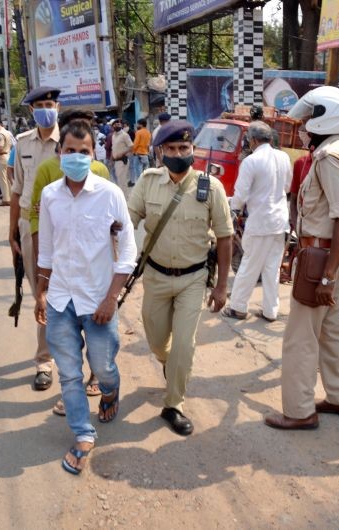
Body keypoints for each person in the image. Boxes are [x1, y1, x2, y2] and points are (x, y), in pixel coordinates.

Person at [35, 121, 137, 475]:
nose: (77, 157)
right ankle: (82, 433)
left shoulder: (110, 194)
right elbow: (46, 249)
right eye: (70, 151)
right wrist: (40, 291)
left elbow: (127, 252)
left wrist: (111, 298)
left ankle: (111, 391)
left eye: (84, 152)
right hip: (61, 300)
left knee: (104, 366)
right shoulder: (49, 195)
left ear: (95, 155)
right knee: (69, 375)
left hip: (98, 301)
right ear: (59, 153)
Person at [264, 86, 339, 430]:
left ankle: (299, 410)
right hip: (327, 255)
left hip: (322, 257)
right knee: (330, 330)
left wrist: (326, 274)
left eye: (310, 117)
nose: (305, 125)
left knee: (301, 338)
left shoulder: (330, 158)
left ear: (327, 116)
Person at [127, 120, 233, 436]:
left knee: (184, 345)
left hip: (193, 279)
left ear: (193, 150)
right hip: (156, 277)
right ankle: (169, 363)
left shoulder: (211, 187)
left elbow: (226, 237)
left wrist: (222, 286)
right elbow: (125, 220)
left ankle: (174, 404)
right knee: (159, 342)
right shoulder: (147, 182)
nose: (178, 154)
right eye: (171, 149)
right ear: (160, 152)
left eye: (184, 148)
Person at [11, 86, 61, 391]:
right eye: (40, 105)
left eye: (50, 103)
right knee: (40, 293)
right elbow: (17, 188)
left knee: (65, 292)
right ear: (32, 110)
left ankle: (60, 354)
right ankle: (44, 360)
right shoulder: (22, 143)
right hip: (30, 224)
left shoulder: (70, 141)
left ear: (57, 106)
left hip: (64, 224)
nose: (46, 108)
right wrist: (12, 232)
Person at [222, 121, 292, 322]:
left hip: (260, 221)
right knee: (272, 268)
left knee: (249, 266)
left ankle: (238, 307)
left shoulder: (251, 161)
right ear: (270, 139)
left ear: (252, 140)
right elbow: (287, 187)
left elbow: (240, 195)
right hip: (279, 221)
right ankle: (271, 311)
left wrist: (232, 208)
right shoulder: (283, 157)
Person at [111, 119, 132, 191]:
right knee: (119, 181)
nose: (117, 124)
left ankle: (124, 199)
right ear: (112, 126)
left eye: (118, 123)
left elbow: (131, 146)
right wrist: (112, 158)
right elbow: (113, 147)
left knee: (122, 181)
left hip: (122, 160)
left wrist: (122, 153)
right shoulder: (113, 135)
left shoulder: (124, 135)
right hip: (116, 161)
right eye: (115, 123)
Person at [129, 118, 151, 186]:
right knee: (145, 173)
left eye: (138, 124)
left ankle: (140, 188)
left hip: (138, 154)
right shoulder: (148, 132)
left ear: (141, 124)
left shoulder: (139, 132)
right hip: (145, 154)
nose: (137, 125)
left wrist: (132, 151)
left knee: (138, 174)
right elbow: (148, 144)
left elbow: (135, 144)